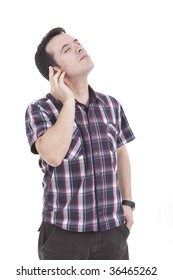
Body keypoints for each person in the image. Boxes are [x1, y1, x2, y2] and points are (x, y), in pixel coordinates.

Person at [25, 27, 135, 260]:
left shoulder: (111, 105)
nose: (78, 47)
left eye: (77, 42)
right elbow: (53, 155)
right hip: (63, 236)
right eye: (67, 49)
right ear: (55, 71)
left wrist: (128, 202)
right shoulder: (39, 110)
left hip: (113, 231)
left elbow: (121, 152)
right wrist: (68, 102)